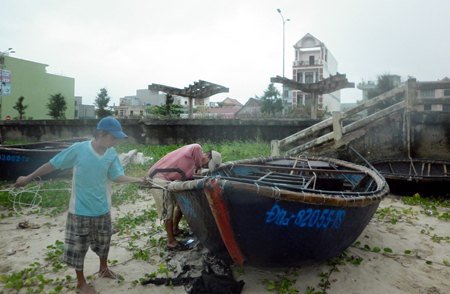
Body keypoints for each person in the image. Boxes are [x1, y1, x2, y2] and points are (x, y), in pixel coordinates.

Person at [14, 117, 148, 294]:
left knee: (104, 241)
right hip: (80, 210)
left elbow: (116, 176)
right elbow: (52, 165)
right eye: (112, 137)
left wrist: (139, 180)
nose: (115, 141)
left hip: (103, 208)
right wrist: (28, 178)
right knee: (79, 247)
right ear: (101, 133)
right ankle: (81, 281)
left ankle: (103, 268)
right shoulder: (78, 150)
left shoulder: (111, 153)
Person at [147, 144, 222, 251]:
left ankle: (175, 229)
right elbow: (196, 147)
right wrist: (199, 166)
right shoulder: (195, 151)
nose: (206, 166)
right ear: (207, 154)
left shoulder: (192, 168)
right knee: (167, 209)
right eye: (207, 164)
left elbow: (187, 179)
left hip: (171, 180)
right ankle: (171, 241)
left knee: (180, 204)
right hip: (158, 177)